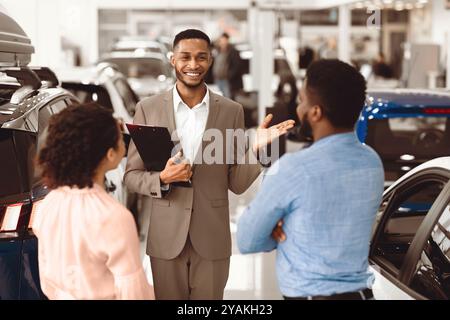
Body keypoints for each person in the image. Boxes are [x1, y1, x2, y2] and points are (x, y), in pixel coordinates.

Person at [124, 29, 294, 300]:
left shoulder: (231, 111)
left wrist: (255, 149)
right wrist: (162, 179)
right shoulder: (149, 108)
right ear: (172, 60)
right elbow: (131, 176)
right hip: (166, 240)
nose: (193, 65)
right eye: (185, 57)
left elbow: (237, 184)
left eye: (201, 57)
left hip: (212, 239)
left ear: (211, 60)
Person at [237, 59, 385, 300]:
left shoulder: (293, 168)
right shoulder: (372, 162)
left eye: (301, 101)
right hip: (361, 295)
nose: (298, 109)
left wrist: (277, 228)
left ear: (315, 112)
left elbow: (248, 240)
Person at [34, 103, 154, 300]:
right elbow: (134, 293)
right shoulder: (114, 216)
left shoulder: (49, 204)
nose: (125, 142)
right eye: (120, 137)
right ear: (110, 154)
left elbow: (47, 280)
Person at [212, 32, 244, 100]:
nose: (222, 42)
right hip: (218, 79)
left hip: (227, 80)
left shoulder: (233, 51)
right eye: (221, 40)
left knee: (228, 99)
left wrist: (229, 76)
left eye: (224, 40)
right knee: (222, 98)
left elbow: (237, 66)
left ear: (227, 40)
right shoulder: (218, 51)